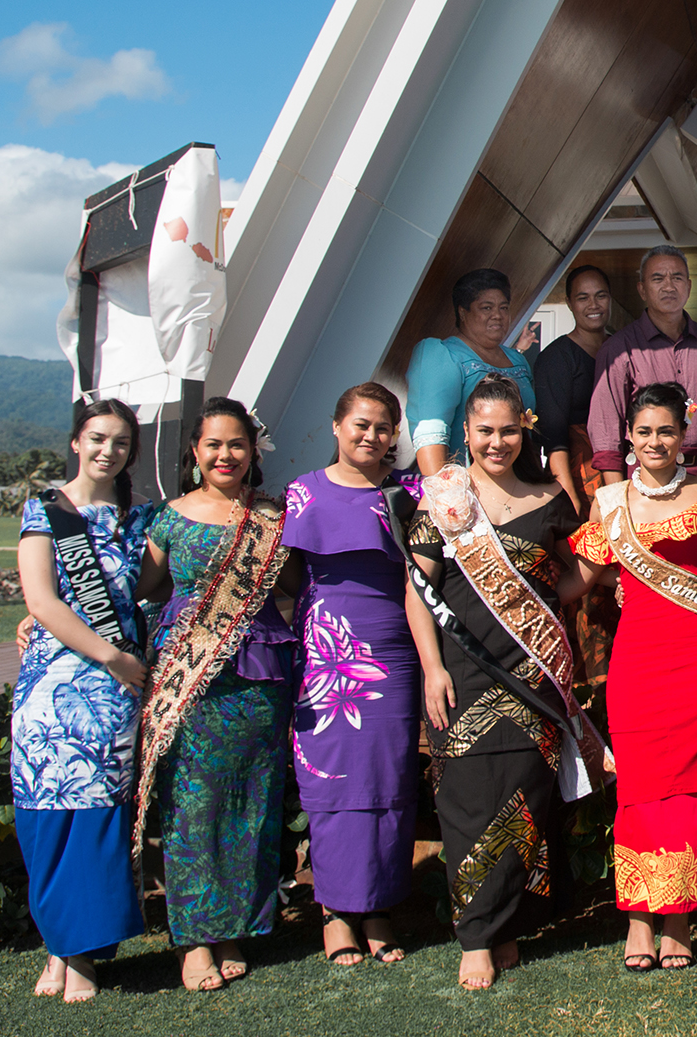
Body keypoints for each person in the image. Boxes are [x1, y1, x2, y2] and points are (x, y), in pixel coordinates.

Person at [403, 375, 599, 990]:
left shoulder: (550, 499)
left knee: (525, 804)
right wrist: (432, 668)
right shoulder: (444, 499)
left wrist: (548, 603)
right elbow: (418, 588)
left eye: (508, 430)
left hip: (534, 675)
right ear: (465, 432)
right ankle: (476, 937)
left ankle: (508, 926)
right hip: (463, 672)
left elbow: (580, 573)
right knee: (466, 802)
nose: (497, 441)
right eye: (484, 430)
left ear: (525, 430)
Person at [570, 382, 697, 972]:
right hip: (638, 660)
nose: (655, 441)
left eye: (666, 430)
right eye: (643, 431)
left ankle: (679, 922)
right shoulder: (609, 500)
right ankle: (638, 920)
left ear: (684, 432)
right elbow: (579, 579)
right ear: (627, 436)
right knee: (641, 784)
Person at [133, 398, 299, 992]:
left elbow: (298, 586)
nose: (225, 455)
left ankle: (235, 927)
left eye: (236, 444)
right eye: (213, 445)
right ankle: (195, 939)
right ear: (195, 453)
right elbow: (144, 591)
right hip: (192, 679)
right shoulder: (168, 519)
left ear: (253, 451)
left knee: (250, 801)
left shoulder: (274, 518)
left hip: (259, 679)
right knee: (192, 806)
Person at [14, 400, 152, 1002]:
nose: (108, 451)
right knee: (49, 817)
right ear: (76, 441)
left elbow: (149, 589)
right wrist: (114, 657)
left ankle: (82, 957)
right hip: (53, 689)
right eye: (98, 438)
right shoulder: (44, 511)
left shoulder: (137, 518)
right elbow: (42, 602)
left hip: (108, 700)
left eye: (121, 443)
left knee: (98, 819)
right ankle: (59, 945)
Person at [282, 383, 419, 966]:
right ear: (337, 426)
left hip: (395, 648)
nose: (371, 436)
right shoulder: (303, 494)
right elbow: (282, 580)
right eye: (361, 424)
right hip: (328, 652)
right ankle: (337, 911)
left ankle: (380, 905)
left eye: (383, 427)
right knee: (334, 782)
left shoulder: (407, 493)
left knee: (389, 779)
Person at [586, 245, 697, 489]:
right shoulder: (619, 349)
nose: (669, 286)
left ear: (689, 286)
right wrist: (618, 496)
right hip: (645, 481)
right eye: (658, 278)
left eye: (677, 278)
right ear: (642, 289)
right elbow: (606, 429)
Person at [535, 263, 618, 687]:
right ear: (569, 303)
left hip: (620, 476)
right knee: (588, 576)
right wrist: (570, 506)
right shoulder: (556, 358)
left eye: (600, 295)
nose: (592, 305)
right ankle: (591, 691)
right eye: (583, 297)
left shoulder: (622, 349)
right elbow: (555, 442)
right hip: (578, 482)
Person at [407, 268, 537, 475]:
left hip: (521, 482)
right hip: (466, 487)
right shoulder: (442, 355)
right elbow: (431, 435)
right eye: (487, 308)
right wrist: (447, 496)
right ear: (463, 312)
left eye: (504, 308)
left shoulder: (517, 360)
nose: (497, 315)